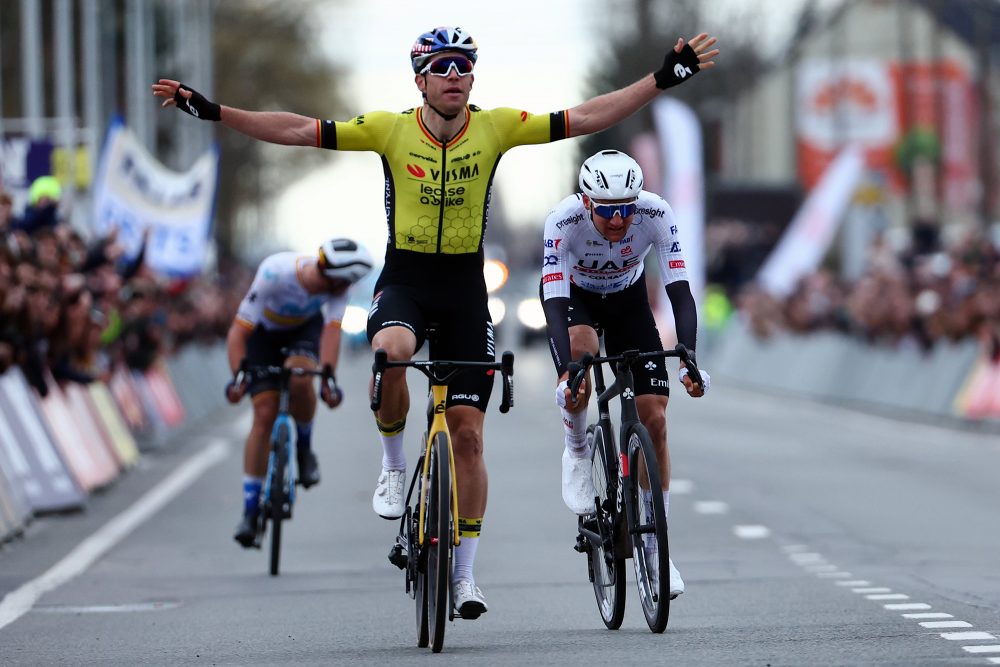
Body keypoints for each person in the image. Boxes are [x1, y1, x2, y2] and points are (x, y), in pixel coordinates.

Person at [153, 25, 718, 617]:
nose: (455, 77)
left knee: (470, 434)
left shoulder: (496, 126)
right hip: (406, 281)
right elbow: (297, 128)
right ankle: (395, 466)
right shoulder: (389, 129)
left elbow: (584, 117)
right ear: (419, 79)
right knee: (391, 350)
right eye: (442, 68)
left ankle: (466, 577)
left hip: (466, 290)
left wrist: (659, 80)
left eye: (464, 67)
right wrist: (215, 112)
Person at [540, 149, 711, 599]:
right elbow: (553, 303)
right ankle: (577, 450)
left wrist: (688, 356)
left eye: (625, 209)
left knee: (654, 418)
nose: (618, 220)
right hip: (575, 297)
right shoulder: (563, 221)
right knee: (581, 355)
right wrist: (566, 371)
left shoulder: (656, 212)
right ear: (586, 201)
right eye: (607, 211)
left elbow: (680, 292)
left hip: (628, 300)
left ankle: (657, 549)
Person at [224, 238, 374, 548]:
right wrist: (238, 376)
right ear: (329, 275)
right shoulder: (274, 273)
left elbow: (331, 333)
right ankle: (250, 511)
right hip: (262, 335)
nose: (343, 290)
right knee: (263, 415)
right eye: (343, 284)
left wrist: (328, 380)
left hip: (304, 332)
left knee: (302, 377)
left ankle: (304, 449)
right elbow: (238, 332)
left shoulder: (337, 288)